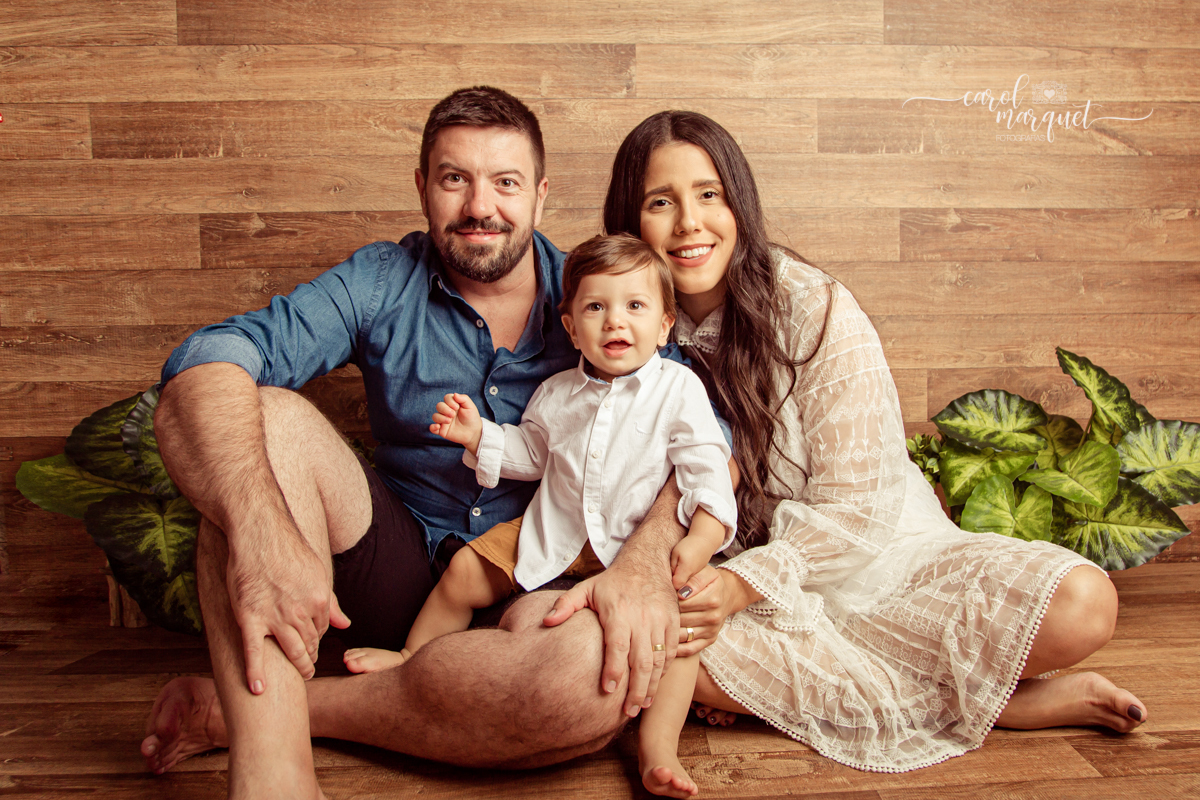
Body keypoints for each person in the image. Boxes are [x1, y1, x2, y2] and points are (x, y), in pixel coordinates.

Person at [140, 89, 704, 798]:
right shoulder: (381, 279)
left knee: (593, 684)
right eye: (453, 178)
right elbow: (207, 361)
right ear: (422, 188)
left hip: (532, 574)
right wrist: (260, 528)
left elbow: (703, 441)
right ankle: (274, 778)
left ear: (540, 197)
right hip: (391, 565)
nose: (479, 207)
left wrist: (646, 562)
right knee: (260, 420)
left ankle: (251, 711)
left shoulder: (601, 294)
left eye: (505, 182)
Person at [600, 110, 1148, 771]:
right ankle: (996, 700)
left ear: (739, 204)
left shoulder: (815, 309)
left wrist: (744, 585)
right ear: (631, 223)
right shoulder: (620, 324)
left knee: (1084, 605)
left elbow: (858, 511)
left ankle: (957, 695)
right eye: (662, 203)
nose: (690, 223)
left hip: (881, 567)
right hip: (754, 609)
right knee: (645, 644)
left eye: (709, 195)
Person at [343, 233, 736, 797]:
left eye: (635, 306)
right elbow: (530, 453)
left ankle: (657, 749)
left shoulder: (678, 389)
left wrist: (699, 541)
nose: (614, 322)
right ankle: (410, 657)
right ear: (571, 326)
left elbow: (705, 468)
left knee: (672, 635)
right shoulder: (556, 392)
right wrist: (479, 435)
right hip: (554, 529)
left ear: (665, 324)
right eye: (596, 307)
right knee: (464, 572)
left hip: (634, 547)